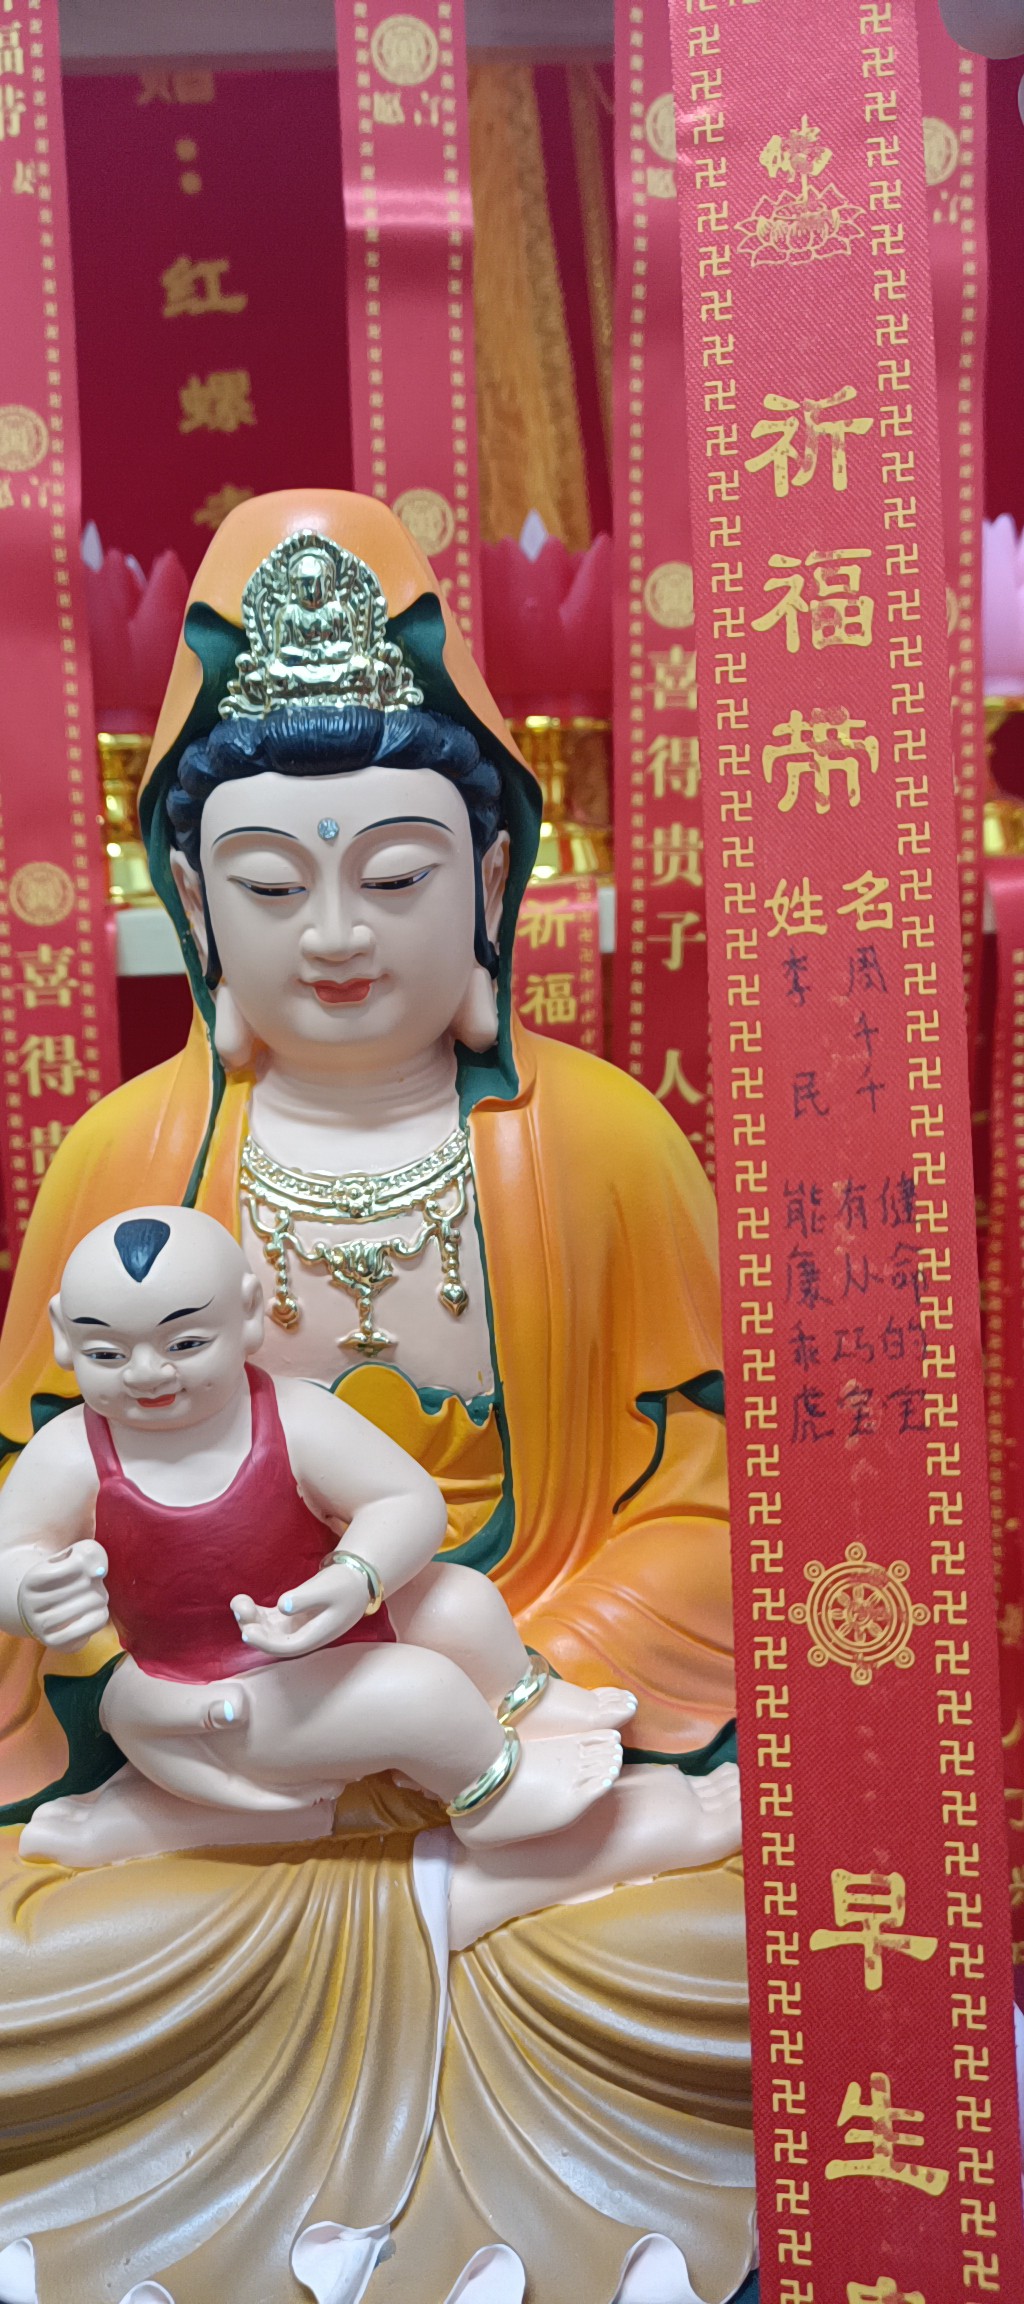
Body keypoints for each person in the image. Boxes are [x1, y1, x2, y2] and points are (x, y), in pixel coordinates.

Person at [0, 495, 755, 2304]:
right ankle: (434, 1917)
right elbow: (39, 1475)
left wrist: (475, 1687)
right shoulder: (125, 1158)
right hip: (218, 1755)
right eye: (271, 886)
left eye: (397, 876)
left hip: (523, 1733)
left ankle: (460, 1899)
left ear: (488, 883)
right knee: (32, 1970)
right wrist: (87, 1638)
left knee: (748, 1954)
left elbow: (710, 1506)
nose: (335, 934)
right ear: (195, 902)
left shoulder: (603, 1144)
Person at [7, 1205, 638, 1849]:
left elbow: (405, 1500)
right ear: (63, 1336)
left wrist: (355, 1574)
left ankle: (521, 1706)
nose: (146, 1374)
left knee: (460, 1601)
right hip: (215, 1694)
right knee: (418, 1692)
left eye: (186, 1344)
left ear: (247, 1314)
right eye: (107, 1353)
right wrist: (31, 1593)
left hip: (331, 1619)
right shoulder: (69, 1454)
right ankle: (492, 1795)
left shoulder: (294, 1414)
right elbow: (11, 1554)